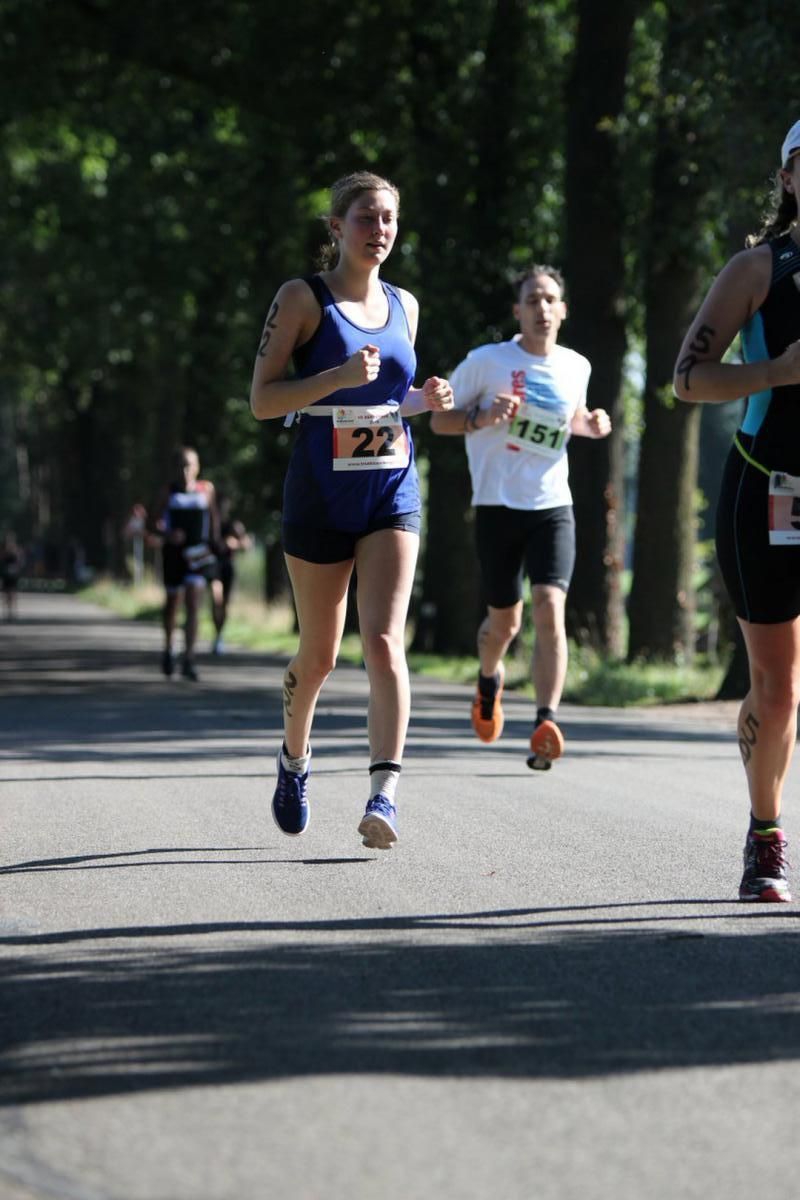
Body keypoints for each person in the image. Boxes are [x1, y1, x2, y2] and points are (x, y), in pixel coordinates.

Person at [249, 170, 454, 849]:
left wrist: (430, 398)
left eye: (390, 218)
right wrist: (334, 378)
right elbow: (263, 400)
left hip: (391, 487)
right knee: (319, 657)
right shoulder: (301, 299)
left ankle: (384, 796)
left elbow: (391, 402)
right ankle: (294, 758)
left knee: (385, 641)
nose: (381, 230)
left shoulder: (406, 304)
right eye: (366, 217)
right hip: (317, 490)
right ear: (336, 227)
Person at [673, 119, 800, 903]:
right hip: (769, 490)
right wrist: (778, 371)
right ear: (789, 180)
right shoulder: (759, 268)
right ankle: (765, 837)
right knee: (777, 683)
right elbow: (689, 377)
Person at [431, 264, 611, 770]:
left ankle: (544, 721)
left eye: (550, 299)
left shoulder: (577, 366)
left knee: (551, 607)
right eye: (532, 300)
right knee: (504, 625)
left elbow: (570, 419)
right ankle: (489, 680)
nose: (542, 309)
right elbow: (439, 419)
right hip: (496, 505)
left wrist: (591, 425)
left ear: (563, 310)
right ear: (518, 311)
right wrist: (482, 417)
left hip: (553, 505)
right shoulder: (487, 362)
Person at [150, 446, 220, 682]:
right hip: (173, 555)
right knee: (172, 604)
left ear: (197, 467)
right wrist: (168, 535)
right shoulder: (167, 492)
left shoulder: (206, 489)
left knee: (193, 605)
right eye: (180, 464)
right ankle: (169, 649)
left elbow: (214, 519)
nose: (185, 470)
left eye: (189, 464)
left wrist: (214, 544)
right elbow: (152, 523)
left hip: (198, 555)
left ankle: (189, 658)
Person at [210, 494, 252, 654]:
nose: (221, 508)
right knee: (216, 600)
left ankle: (219, 635)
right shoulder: (210, 524)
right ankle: (217, 632)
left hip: (228, 567)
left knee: (225, 604)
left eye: (224, 505)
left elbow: (247, 545)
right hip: (214, 567)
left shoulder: (234, 525)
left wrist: (234, 543)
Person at [1, 532, 25, 621]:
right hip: (5, 575)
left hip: (13, 575)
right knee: (6, 594)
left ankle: (12, 612)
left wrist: (18, 568)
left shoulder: (17, 550)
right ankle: (7, 611)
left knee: (12, 593)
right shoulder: (4, 551)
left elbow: (20, 561)